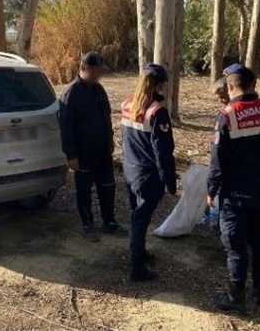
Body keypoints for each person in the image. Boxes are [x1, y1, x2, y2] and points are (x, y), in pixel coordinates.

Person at [207, 63, 260, 311]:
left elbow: (218, 158)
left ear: (230, 86)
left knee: (236, 246)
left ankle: (235, 297)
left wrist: (211, 189)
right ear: (252, 85)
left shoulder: (228, 114)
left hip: (236, 193)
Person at [59, 51, 128, 242]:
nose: (100, 75)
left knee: (107, 187)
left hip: (102, 151)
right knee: (84, 190)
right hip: (83, 153)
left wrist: (110, 140)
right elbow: (65, 126)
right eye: (98, 71)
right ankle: (88, 225)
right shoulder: (71, 93)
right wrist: (71, 155)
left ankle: (109, 221)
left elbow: (106, 117)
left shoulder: (99, 90)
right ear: (86, 69)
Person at [120, 63, 176, 282]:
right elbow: (163, 152)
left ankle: (140, 253)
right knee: (140, 220)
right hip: (147, 175)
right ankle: (136, 268)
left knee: (137, 215)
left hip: (130, 170)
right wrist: (170, 181)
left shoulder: (127, 104)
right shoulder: (157, 112)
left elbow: (124, 140)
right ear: (159, 85)